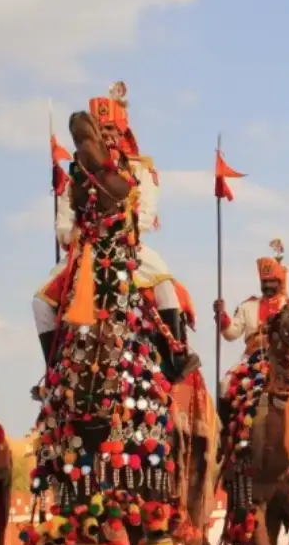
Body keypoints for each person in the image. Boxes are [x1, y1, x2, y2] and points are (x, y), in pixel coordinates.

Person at [32, 81, 194, 392]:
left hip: (127, 245)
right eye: (100, 130)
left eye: (110, 130)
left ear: (121, 133)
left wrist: (121, 224)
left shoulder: (140, 170)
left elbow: (146, 213)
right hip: (87, 249)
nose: (106, 136)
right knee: (40, 302)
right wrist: (74, 234)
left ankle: (174, 360)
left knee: (165, 286)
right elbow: (63, 223)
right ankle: (52, 373)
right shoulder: (76, 174)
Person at [214, 239, 289, 424]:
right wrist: (221, 315)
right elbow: (231, 333)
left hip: (287, 358)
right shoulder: (248, 306)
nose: (268, 286)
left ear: (280, 282)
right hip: (253, 358)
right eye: (265, 282)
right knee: (224, 385)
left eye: (273, 282)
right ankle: (222, 441)